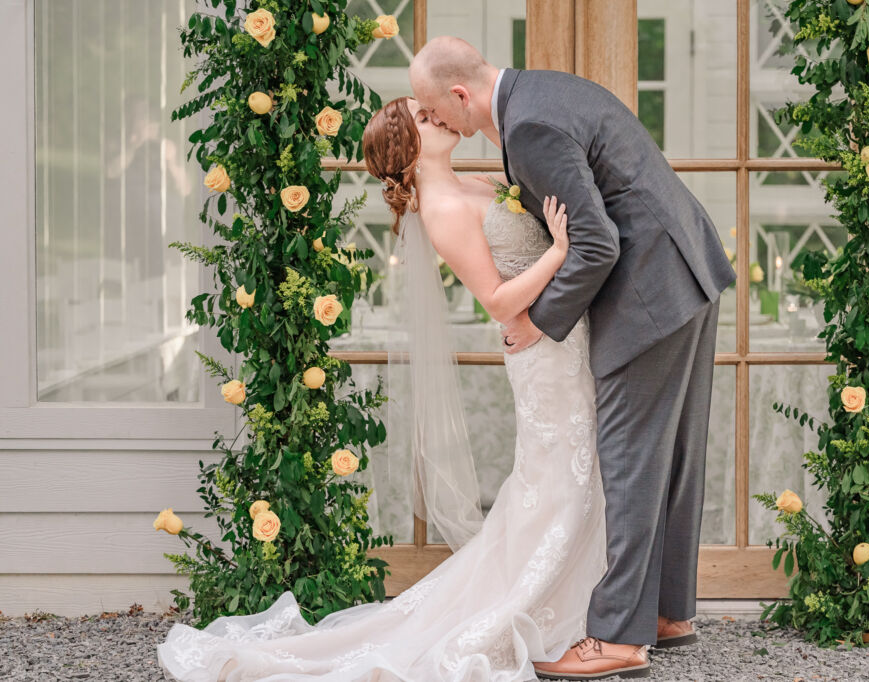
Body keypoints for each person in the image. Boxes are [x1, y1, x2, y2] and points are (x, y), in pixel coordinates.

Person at [156, 94, 625, 681]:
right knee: (558, 476)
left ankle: (590, 602)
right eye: (422, 119)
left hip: (568, 339)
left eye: (432, 111)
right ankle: (556, 608)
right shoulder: (444, 210)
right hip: (541, 351)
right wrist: (558, 251)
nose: (436, 118)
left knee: (575, 473)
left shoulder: (479, 181)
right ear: (407, 151)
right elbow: (500, 302)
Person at [408, 37, 735, 679]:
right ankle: (668, 614)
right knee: (672, 455)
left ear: (458, 95)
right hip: (684, 271)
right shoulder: (543, 90)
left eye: (433, 109)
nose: (438, 123)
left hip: (649, 294)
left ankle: (617, 638)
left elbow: (596, 241)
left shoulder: (527, 127)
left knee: (629, 458)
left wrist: (537, 323)